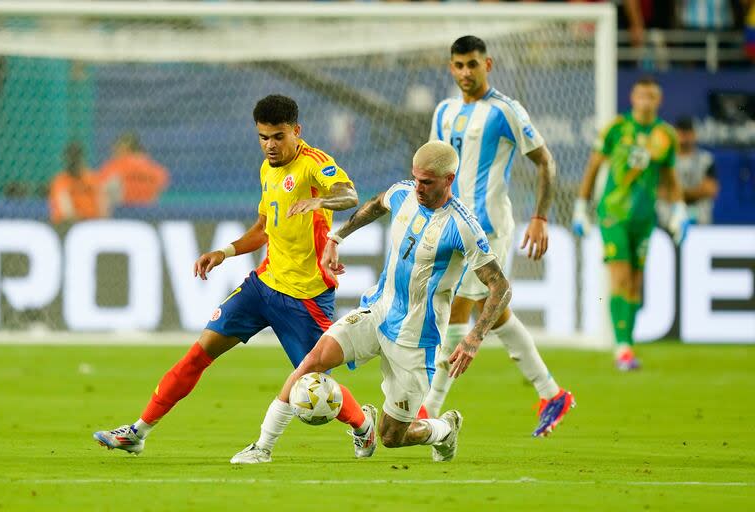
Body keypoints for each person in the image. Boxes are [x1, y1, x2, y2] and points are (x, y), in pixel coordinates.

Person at [93, 94, 358, 454]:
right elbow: (264, 228)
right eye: (263, 137)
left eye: (278, 136)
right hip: (263, 286)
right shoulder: (268, 170)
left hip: (305, 297)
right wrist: (225, 252)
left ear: (296, 131)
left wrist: (320, 201)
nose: (270, 145)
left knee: (312, 386)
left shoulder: (315, 164)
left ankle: (364, 424)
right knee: (199, 353)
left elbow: (349, 195)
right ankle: (137, 432)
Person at [231, 141, 512, 464]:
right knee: (312, 361)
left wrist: (474, 338)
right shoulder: (403, 193)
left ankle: (443, 430)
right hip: (377, 311)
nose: (418, 187)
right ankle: (262, 447)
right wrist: (338, 237)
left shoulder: (462, 226)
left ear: (449, 179)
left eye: (427, 182)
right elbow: (377, 204)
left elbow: (500, 286)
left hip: (415, 337)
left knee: (393, 437)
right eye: (415, 178)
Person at [423, 35, 574, 438]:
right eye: (458, 65)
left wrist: (540, 216)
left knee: (457, 311)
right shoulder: (444, 111)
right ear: (451, 67)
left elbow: (545, 161)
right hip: (449, 225)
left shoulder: (505, 111)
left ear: (487, 65)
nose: (466, 72)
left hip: (486, 229)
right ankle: (551, 392)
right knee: (494, 315)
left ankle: (427, 412)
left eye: (473, 64)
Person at [572, 76, 689, 371]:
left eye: (651, 96)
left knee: (636, 282)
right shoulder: (616, 129)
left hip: (644, 218)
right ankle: (622, 347)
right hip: (613, 214)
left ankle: (628, 343)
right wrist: (581, 206)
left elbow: (670, 177)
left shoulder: (666, 136)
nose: (645, 101)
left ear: (658, 101)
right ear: (632, 98)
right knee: (621, 277)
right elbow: (594, 166)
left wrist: (679, 209)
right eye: (641, 96)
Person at [656, 117, 719, 227]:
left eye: (688, 133)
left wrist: (677, 194)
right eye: (681, 133)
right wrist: (694, 193)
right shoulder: (663, 159)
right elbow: (659, 190)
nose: (684, 138)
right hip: (668, 220)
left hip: (699, 220)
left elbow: (710, 189)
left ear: (694, 134)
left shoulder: (706, 159)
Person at [98, 132, 169, 207]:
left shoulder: (115, 165)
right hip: (149, 210)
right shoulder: (155, 169)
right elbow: (162, 184)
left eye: (116, 149)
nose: (113, 153)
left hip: (120, 210)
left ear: (123, 149)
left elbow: (99, 184)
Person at [48, 141, 109, 224]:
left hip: (93, 224)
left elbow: (103, 208)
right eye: (71, 158)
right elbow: (67, 213)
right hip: (68, 226)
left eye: (76, 158)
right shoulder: (61, 181)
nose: (74, 162)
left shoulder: (92, 179)